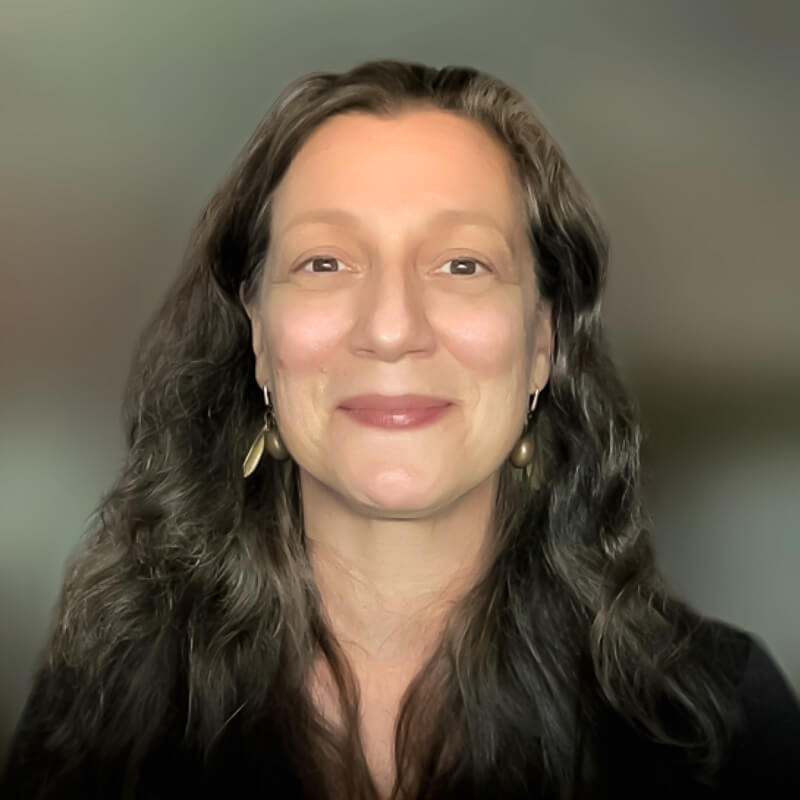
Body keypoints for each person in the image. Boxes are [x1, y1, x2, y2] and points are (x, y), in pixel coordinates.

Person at [2, 58, 798, 800]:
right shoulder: (104, 709)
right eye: (324, 263)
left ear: (543, 342)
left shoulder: (717, 723)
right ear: (257, 336)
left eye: (462, 265)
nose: (390, 327)